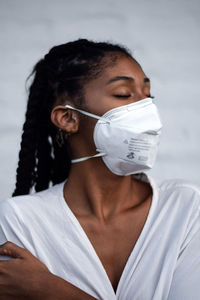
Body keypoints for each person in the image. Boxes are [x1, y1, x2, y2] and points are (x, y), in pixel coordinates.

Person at [0, 39, 200, 300]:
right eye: (124, 94)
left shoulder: (185, 207)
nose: (147, 110)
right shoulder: (21, 219)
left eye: (148, 96)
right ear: (68, 118)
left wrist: (51, 290)